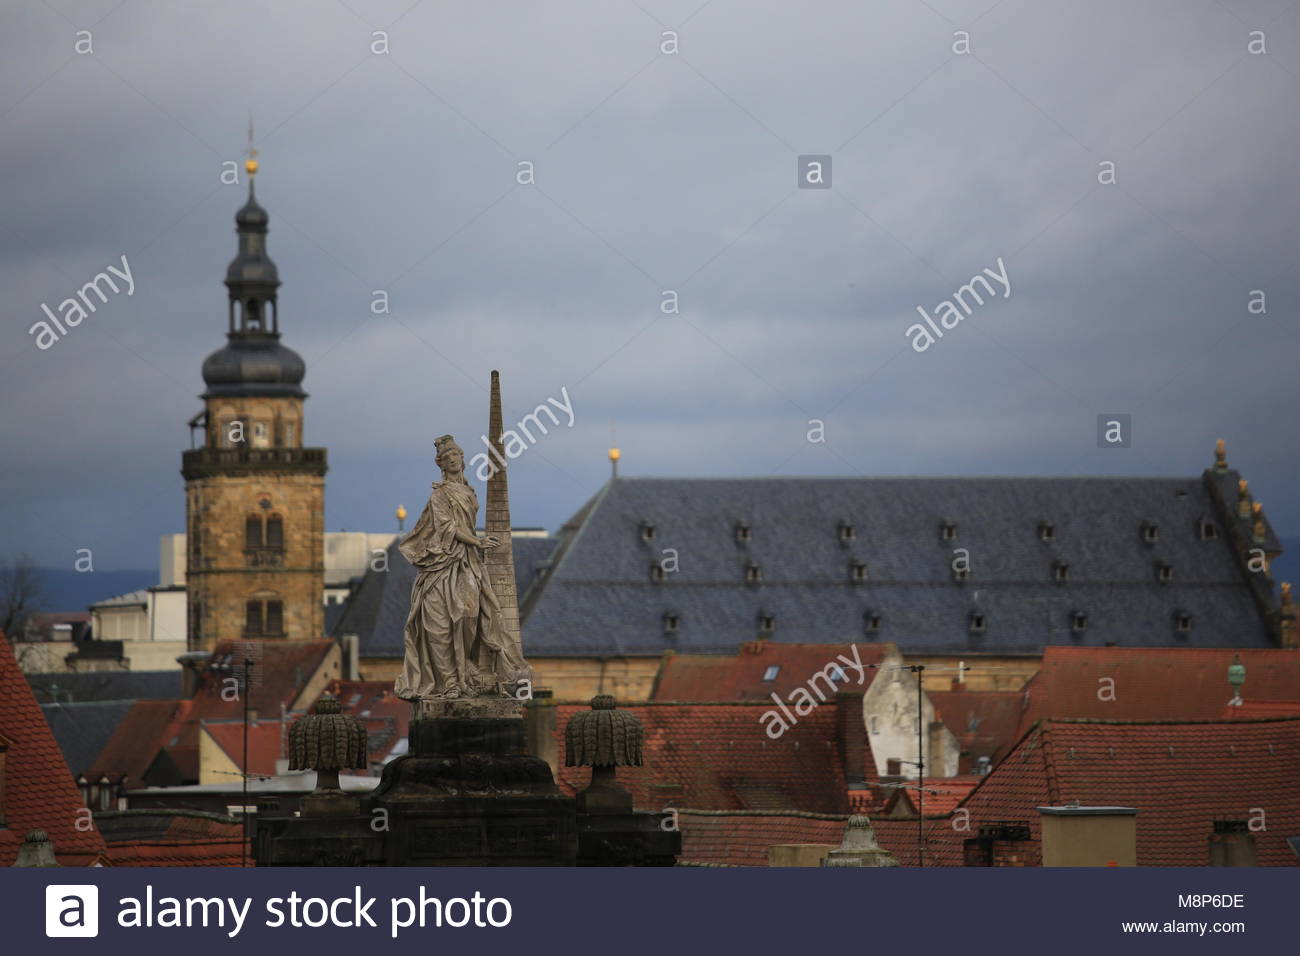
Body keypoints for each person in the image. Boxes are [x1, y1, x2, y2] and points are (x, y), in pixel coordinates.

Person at [393, 434, 528, 700]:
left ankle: (465, 669)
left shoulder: (468, 491)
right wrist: (477, 541)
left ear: (462, 460)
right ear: (441, 464)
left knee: (469, 615)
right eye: (447, 457)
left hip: (467, 562)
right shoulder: (440, 495)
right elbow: (448, 528)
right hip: (442, 563)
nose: (453, 460)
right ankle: (450, 682)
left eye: (456, 455)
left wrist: (475, 544)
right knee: (439, 627)